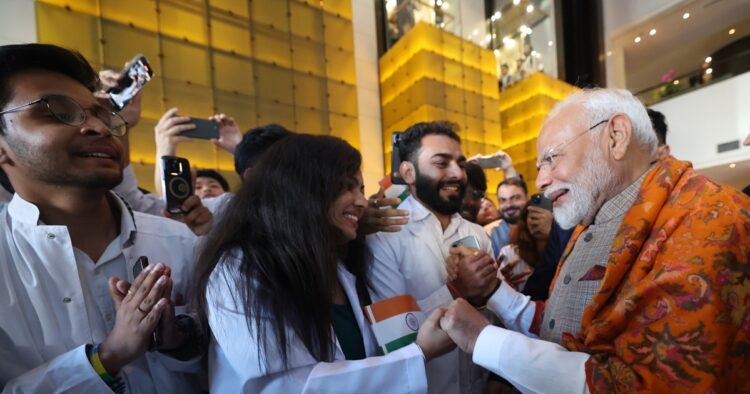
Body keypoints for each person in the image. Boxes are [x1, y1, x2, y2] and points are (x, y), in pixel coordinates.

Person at [438, 88, 750, 392]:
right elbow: (562, 325)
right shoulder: (593, 214)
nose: (541, 180)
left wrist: (484, 339)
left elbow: (648, 383)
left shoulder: (706, 220)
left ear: (616, 136)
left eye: (552, 157)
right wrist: (493, 290)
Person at [0, 43, 206, 392]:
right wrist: (107, 357)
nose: (98, 127)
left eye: (103, 113)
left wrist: (182, 342)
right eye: (57, 111)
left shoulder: (184, 244)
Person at [195, 134, 453, 393]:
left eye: (361, 190)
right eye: (347, 187)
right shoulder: (241, 271)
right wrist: (419, 354)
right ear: (302, 190)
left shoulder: (339, 266)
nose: (363, 202)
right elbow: (288, 386)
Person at [368, 121, 494, 393]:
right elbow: (398, 337)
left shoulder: (478, 234)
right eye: (441, 163)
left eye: (460, 163)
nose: (457, 174)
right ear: (408, 172)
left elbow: (494, 319)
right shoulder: (385, 236)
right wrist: (456, 291)